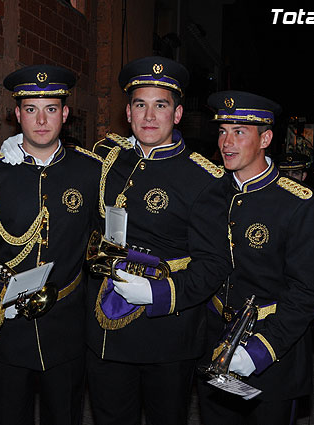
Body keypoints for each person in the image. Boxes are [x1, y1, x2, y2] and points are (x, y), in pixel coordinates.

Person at [0, 64, 102, 425]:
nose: (41, 120)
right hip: (7, 328)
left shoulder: (91, 171)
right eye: (31, 109)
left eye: (51, 109)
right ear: (16, 114)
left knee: (64, 416)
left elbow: (106, 240)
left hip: (66, 327)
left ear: (65, 114)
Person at [84, 56, 231, 425]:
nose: (149, 116)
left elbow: (214, 263)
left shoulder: (205, 178)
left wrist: (158, 295)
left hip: (167, 333)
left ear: (178, 114)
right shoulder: (106, 156)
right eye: (140, 105)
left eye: (160, 105)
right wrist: (19, 148)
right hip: (104, 331)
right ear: (128, 114)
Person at [199, 90, 314, 425]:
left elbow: (306, 292)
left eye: (240, 132)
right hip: (215, 347)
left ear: (266, 138)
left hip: (273, 355)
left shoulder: (299, 204)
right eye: (223, 131)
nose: (227, 142)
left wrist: (260, 350)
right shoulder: (211, 194)